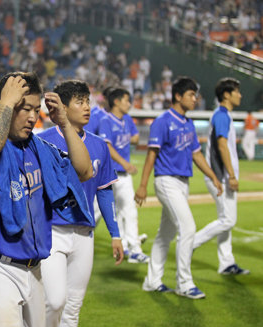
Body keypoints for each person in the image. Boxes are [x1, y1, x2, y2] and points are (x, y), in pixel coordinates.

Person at [0, 72, 96, 327]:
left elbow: (84, 170)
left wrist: (65, 124)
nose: (33, 117)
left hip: (34, 268)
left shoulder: (38, 148)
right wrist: (7, 105)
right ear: (5, 105)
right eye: (24, 109)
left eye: (36, 109)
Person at [38, 80, 124, 327]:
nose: (87, 107)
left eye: (88, 101)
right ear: (63, 108)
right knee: (54, 302)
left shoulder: (99, 145)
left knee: (73, 306)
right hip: (52, 230)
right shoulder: (43, 141)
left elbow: (104, 191)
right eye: (79, 101)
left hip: (84, 233)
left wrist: (115, 234)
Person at [134, 76, 222, 299]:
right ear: (177, 96)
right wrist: (143, 185)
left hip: (183, 182)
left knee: (165, 235)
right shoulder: (163, 121)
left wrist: (213, 176)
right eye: (191, 95)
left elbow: (197, 154)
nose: (195, 99)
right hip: (166, 181)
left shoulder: (188, 123)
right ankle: (184, 283)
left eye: (196, 95)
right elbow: (151, 154)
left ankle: (152, 281)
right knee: (188, 228)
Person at [193, 78, 250, 275]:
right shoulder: (222, 116)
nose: (240, 95)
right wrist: (231, 176)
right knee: (228, 220)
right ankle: (189, 243)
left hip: (221, 176)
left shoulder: (223, 115)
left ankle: (226, 262)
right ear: (226, 94)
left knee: (225, 221)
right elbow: (222, 145)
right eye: (237, 91)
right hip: (220, 176)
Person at [98, 87, 149, 263]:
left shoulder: (126, 119)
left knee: (127, 210)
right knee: (106, 213)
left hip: (122, 175)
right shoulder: (106, 120)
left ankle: (132, 248)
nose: (130, 104)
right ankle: (129, 247)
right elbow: (107, 145)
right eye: (127, 100)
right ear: (117, 102)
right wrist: (125, 162)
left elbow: (135, 138)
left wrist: (125, 138)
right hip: (109, 173)